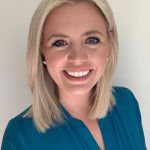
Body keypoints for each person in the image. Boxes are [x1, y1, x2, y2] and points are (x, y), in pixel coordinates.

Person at [1, 0, 147, 150]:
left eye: (92, 40)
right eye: (60, 43)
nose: (77, 58)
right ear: (41, 51)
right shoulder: (20, 136)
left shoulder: (127, 103)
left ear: (109, 44)